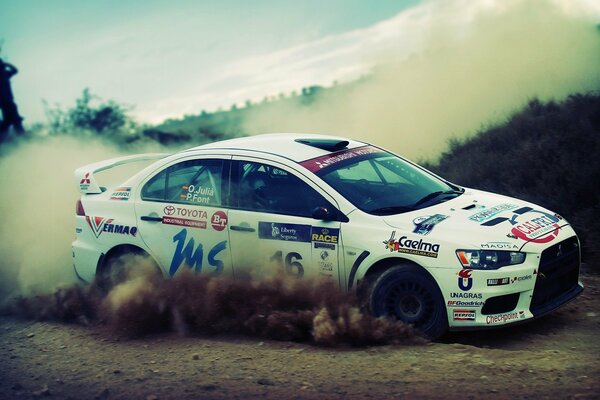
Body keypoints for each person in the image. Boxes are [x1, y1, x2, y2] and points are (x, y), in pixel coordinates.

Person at [0, 57, 24, 142]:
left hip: (9, 101)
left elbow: (15, 70)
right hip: (4, 102)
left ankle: (3, 138)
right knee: (14, 120)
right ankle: (22, 137)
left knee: (9, 120)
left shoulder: (5, 74)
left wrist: (7, 64)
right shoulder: (3, 74)